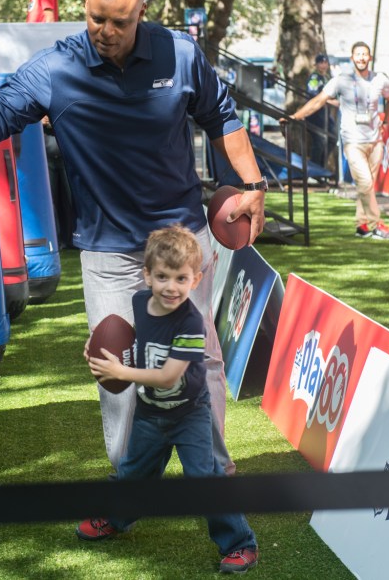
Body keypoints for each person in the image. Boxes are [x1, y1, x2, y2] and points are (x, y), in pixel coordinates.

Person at [0, 0, 266, 477]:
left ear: (142, 15)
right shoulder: (57, 67)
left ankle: (216, 479)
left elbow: (222, 117)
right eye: (95, 18)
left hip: (181, 243)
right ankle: (131, 485)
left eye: (118, 22)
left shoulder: (180, 54)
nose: (104, 31)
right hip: (108, 249)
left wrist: (254, 186)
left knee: (197, 364)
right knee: (115, 368)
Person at [77, 224, 258, 574]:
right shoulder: (140, 303)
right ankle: (116, 517)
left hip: (189, 414)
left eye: (180, 278)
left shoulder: (191, 322)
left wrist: (121, 373)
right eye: (161, 276)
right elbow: (128, 336)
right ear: (146, 275)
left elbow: (168, 375)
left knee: (203, 477)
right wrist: (97, 344)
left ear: (196, 279)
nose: (170, 287)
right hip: (151, 412)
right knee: (132, 472)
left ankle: (239, 543)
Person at [282, 41, 389, 240]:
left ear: (369, 58)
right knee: (365, 182)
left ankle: (362, 225)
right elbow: (318, 101)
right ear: (352, 58)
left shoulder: (380, 80)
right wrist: (295, 117)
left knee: (366, 186)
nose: (361, 57)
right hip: (352, 141)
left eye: (365, 54)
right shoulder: (341, 80)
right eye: (358, 54)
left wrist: (386, 120)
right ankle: (376, 224)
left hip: (375, 140)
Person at [304, 53, 333, 167]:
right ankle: (314, 170)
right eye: (321, 62)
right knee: (319, 142)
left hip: (325, 114)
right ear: (316, 65)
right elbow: (313, 95)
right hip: (315, 115)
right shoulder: (314, 78)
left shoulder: (327, 78)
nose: (324, 65)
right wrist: (328, 101)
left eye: (326, 62)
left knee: (332, 138)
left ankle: (321, 167)